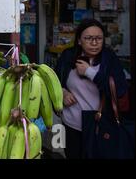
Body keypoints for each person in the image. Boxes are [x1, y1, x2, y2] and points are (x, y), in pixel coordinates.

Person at [54, 18, 128, 159]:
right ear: (79, 40)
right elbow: (55, 81)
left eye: (98, 38)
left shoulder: (109, 58)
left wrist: (90, 73)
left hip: (101, 126)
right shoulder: (68, 56)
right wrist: (62, 93)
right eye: (88, 38)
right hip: (72, 126)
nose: (94, 43)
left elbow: (120, 90)